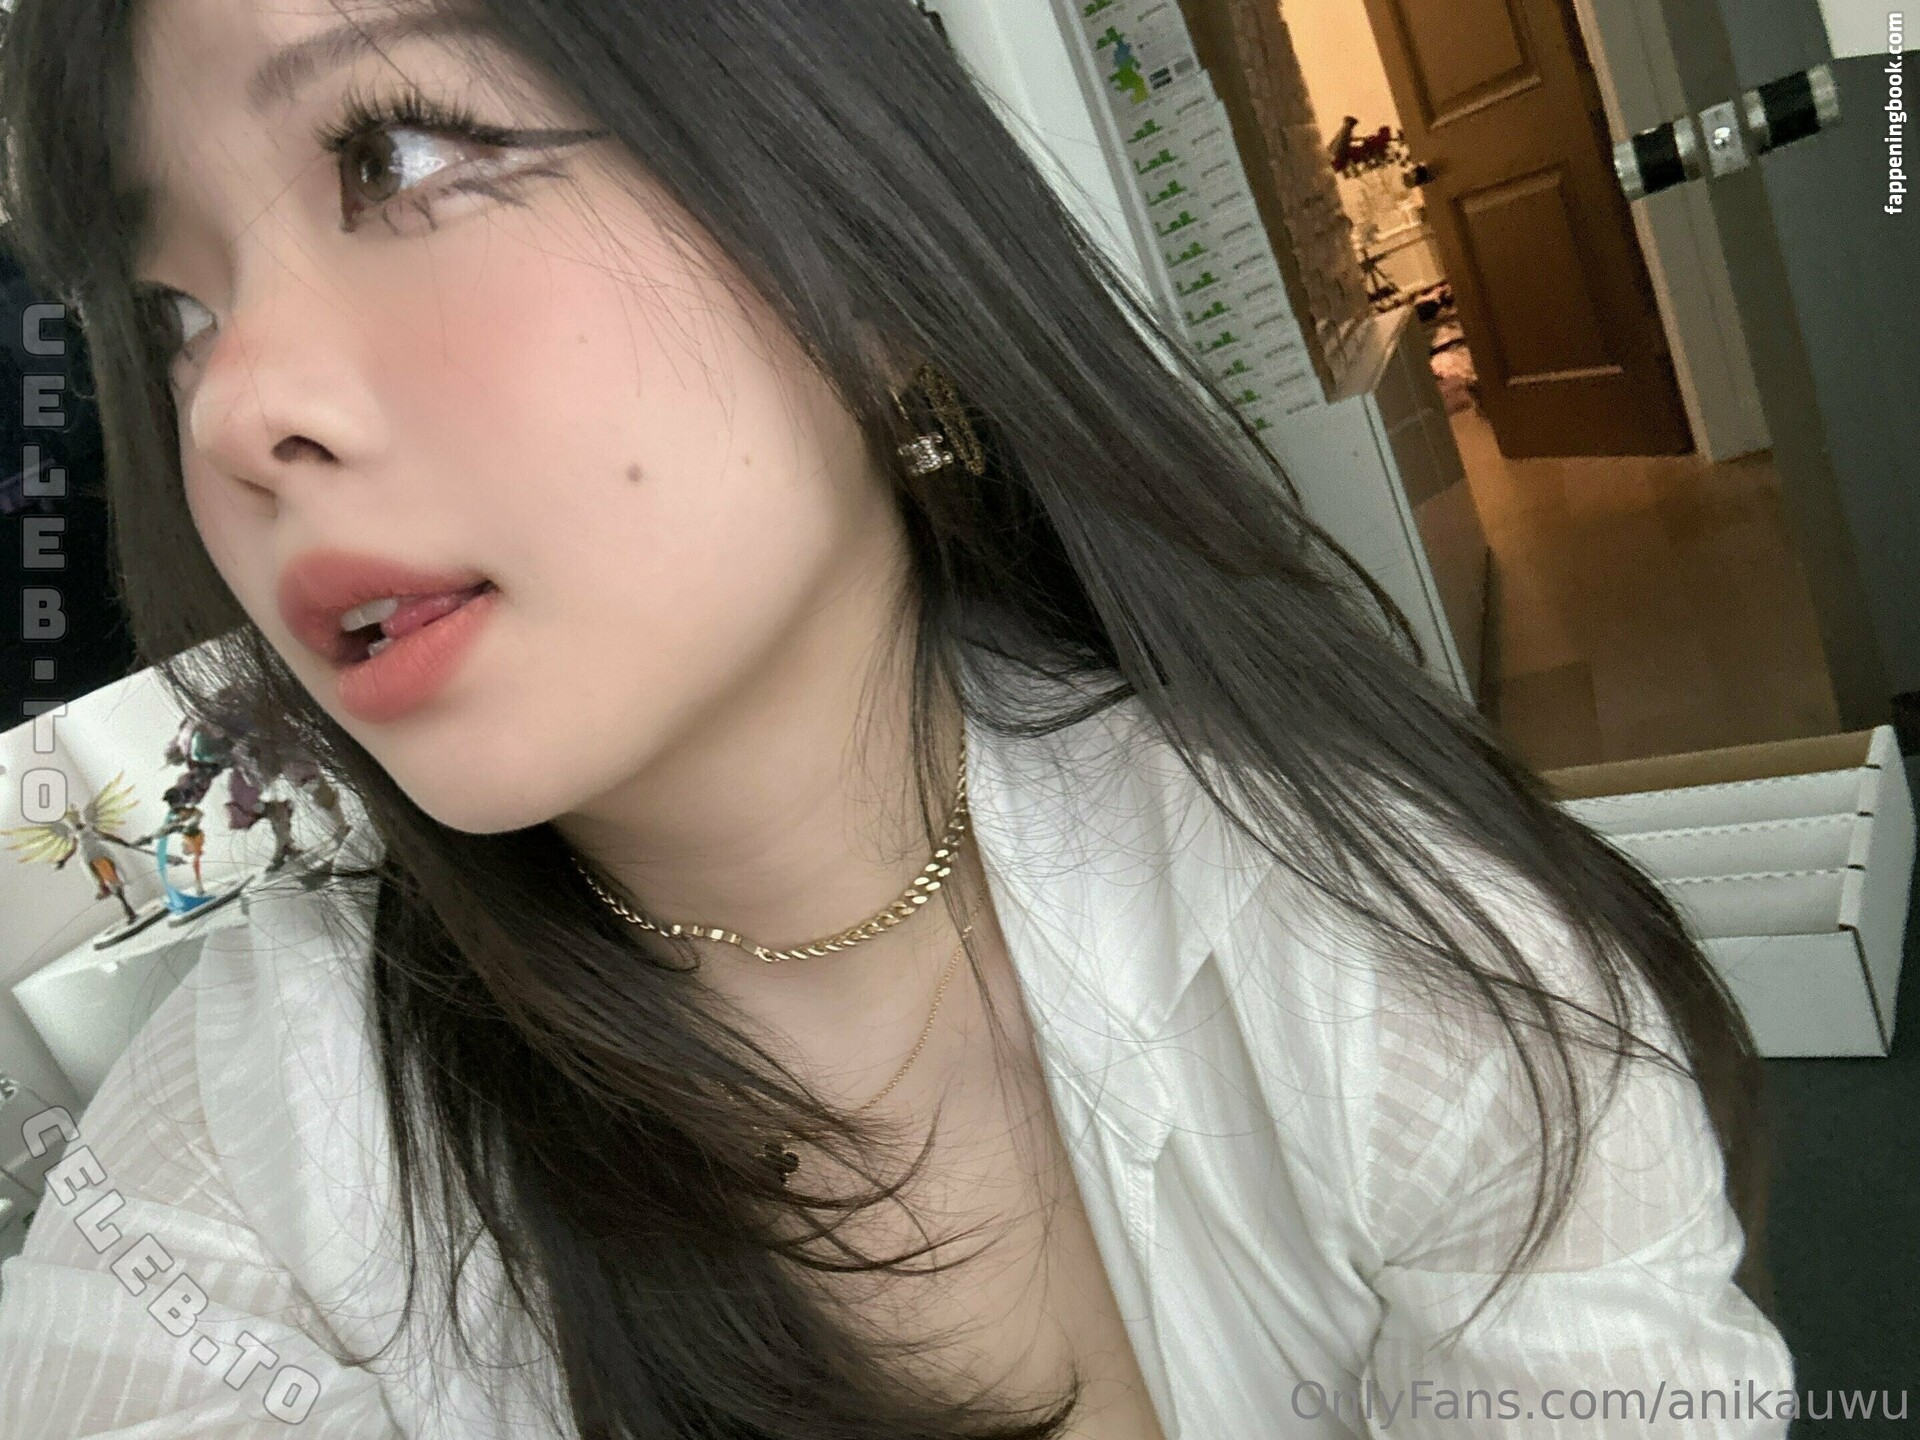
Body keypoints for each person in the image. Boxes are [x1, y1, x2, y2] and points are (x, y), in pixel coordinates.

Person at [0, 1, 1796, 1436]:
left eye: (395, 154)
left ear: (855, 252)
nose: (228, 406)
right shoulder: (250, 1183)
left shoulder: (1391, 966)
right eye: (173, 313)